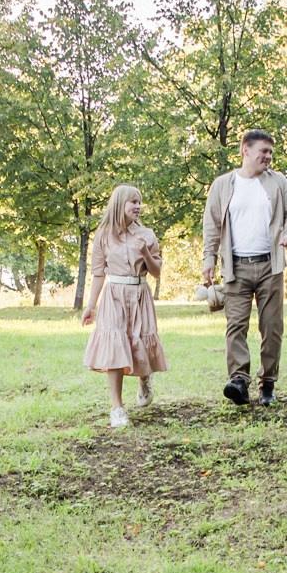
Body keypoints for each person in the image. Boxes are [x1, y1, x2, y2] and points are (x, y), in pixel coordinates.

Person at [199, 128, 287, 406]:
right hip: (236, 268)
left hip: (271, 266)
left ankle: (267, 382)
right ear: (245, 150)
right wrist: (209, 258)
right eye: (263, 152)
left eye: (270, 153)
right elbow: (211, 225)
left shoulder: (277, 182)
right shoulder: (223, 185)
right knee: (235, 326)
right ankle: (239, 381)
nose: (268, 157)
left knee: (271, 328)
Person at [81, 183, 167, 427]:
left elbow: (157, 271)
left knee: (140, 342)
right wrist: (91, 306)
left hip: (139, 294)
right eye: (133, 202)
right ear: (120, 204)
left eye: (139, 202)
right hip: (114, 296)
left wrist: (146, 254)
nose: (138, 206)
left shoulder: (147, 235)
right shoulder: (104, 236)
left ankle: (144, 379)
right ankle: (117, 408)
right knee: (115, 348)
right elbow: (98, 273)